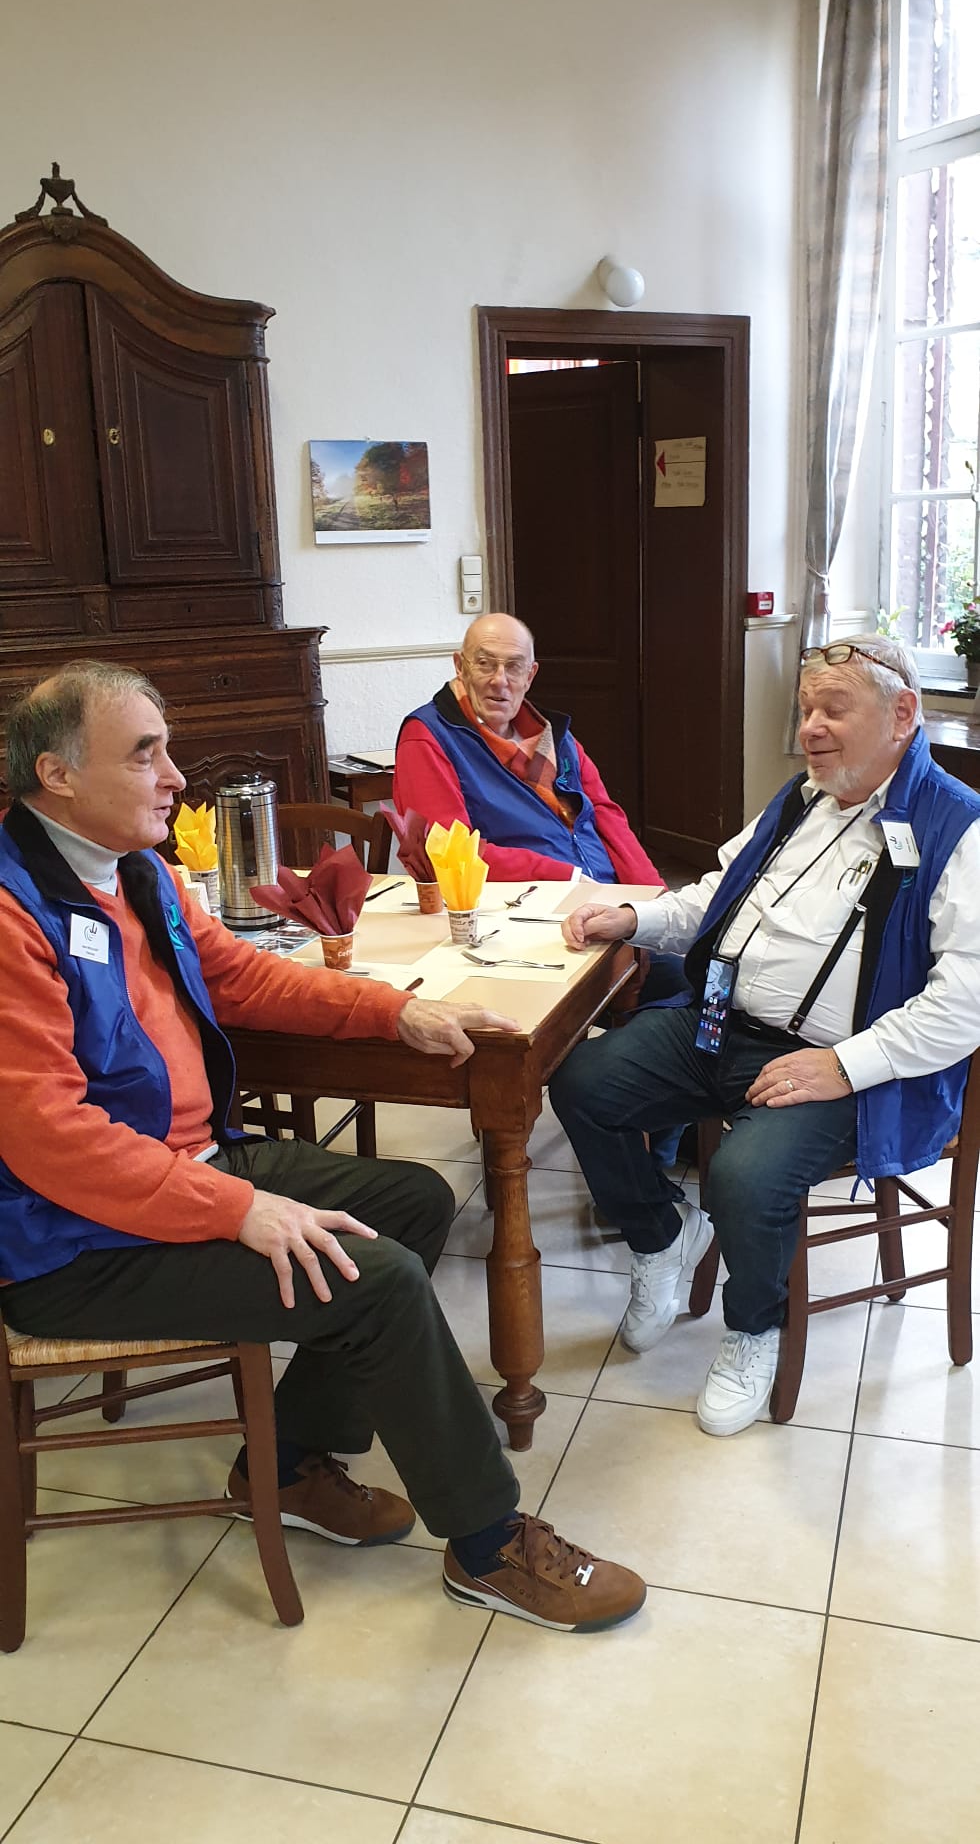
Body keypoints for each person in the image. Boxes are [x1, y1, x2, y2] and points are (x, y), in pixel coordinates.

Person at [0, 661, 645, 1633]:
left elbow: (240, 976)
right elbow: (52, 1142)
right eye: (143, 755)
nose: (174, 778)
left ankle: (288, 1465)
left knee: (416, 1201)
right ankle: (487, 1545)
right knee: (375, 1281)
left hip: (180, 1169)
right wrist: (240, 1208)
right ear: (56, 775)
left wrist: (394, 1011)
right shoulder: (12, 912)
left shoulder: (134, 869)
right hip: (70, 1242)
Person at [550, 638, 980, 1434]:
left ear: (902, 715)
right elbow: (717, 898)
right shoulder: (800, 800)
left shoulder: (959, 826)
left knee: (743, 1178)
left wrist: (844, 1065)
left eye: (833, 710)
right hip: (721, 1025)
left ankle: (753, 1332)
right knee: (582, 1083)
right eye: (806, 710)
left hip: (847, 1066)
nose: (809, 728)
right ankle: (661, 1236)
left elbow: (966, 1004)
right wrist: (635, 918)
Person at [394, 613, 663, 885]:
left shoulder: (554, 735)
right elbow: (448, 851)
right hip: (528, 899)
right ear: (460, 667)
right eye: (485, 664)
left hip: (603, 892)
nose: (500, 680)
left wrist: (654, 894)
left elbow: (606, 815)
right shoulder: (428, 737)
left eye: (514, 667)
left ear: (530, 676)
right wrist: (566, 877)